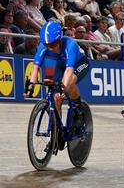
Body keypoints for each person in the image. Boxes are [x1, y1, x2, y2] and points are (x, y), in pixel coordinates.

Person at [24, 21, 90, 150]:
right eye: (47, 44)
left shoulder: (70, 45)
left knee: (68, 85)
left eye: (53, 44)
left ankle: (78, 108)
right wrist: (30, 85)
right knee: (54, 94)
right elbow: (36, 67)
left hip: (78, 64)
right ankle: (57, 132)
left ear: (59, 39)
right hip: (56, 63)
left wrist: (63, 88)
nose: (50, 47)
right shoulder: (44, 47)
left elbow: (69, 71)